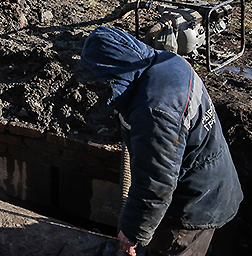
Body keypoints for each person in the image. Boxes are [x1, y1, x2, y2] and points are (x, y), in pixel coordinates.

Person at [78, 26, 243, 256]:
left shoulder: (156, 109)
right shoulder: (168, 63)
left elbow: (156, 182)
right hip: (206, 183)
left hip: (191, 207)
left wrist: (133, 231)